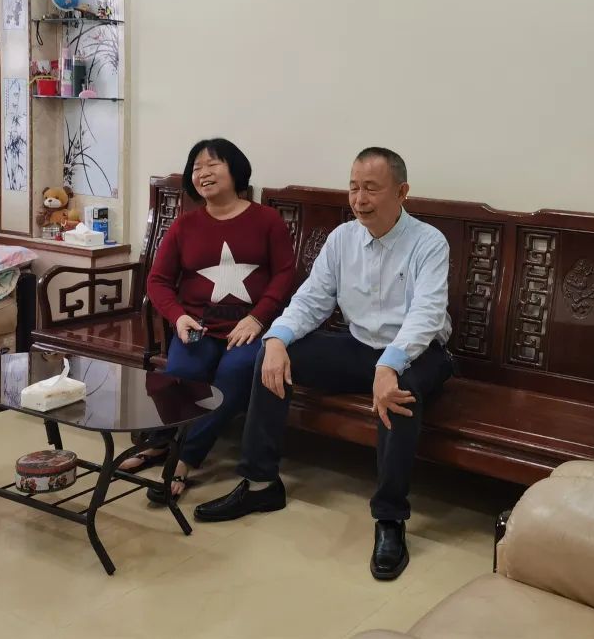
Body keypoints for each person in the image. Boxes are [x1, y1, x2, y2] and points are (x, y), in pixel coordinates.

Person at [194, 147, 453, 581]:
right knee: (271, 358)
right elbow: (312, 300)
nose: (359, 199)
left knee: (399, 393)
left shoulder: (428, 243)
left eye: (371, 189)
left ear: (402, 192)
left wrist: (390, 365)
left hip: (420, 352)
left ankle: (390, 518)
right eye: (353, 188)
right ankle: (261, 484)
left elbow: (426, 315)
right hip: (361, 347)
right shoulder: (342, 239)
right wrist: (277, 338)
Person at [121, 138, 295, 502]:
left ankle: (184, 458)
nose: (203, 173)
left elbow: (284, 275)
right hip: (198, 327)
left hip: (249, 330)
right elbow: (158, 280)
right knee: (181, 373)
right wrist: (178, 317)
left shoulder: (266, 220)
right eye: (197, 167)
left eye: (213, 165)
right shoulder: (185, 226)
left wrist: (258, 318)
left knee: (233, 378)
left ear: (236, 170)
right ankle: (160, 443)